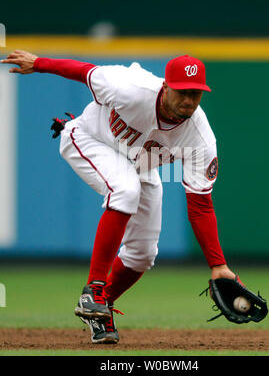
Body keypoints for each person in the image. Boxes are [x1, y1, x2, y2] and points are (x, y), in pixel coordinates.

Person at [1, 51, 240, 344]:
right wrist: (39, 64)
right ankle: (94, 289)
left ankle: (100, 308)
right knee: (125, 190)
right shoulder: (129, 87)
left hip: (140, 166)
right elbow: (83, 71)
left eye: (195, 93)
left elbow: (200, 206)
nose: (188, 100)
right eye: (182, 91)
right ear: (166, 86)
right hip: (88, 139)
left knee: (143, 254)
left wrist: (218, 265)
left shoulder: (200, 137)